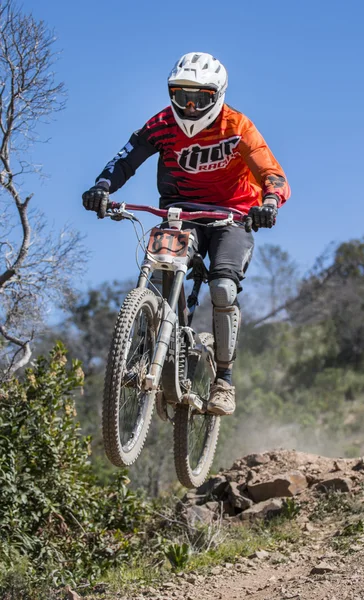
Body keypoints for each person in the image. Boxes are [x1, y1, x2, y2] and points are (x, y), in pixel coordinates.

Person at [82, 51, 290, 416]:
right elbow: (126, 159)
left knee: (223, 287)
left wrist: (269, 203)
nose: (191, 107)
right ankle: (154, 351)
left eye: (201, 98)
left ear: (218, 95)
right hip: (181, 211)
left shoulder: (237, 126)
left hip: (235, 215)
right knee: (160, 267)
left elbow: (270, 172)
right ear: (170, 95)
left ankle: (223, 379)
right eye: (181, 96)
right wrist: (102, 186)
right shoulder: (162, 124)